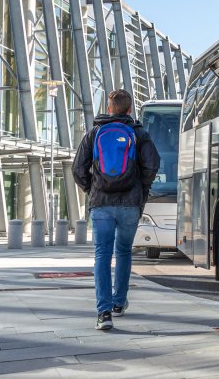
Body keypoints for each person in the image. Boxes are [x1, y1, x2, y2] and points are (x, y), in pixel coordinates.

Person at [72, 89, 159, 330]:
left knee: (102, 255)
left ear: (109, 109)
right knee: (123, 252)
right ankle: (119, 303)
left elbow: (78, 168)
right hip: (130, 204)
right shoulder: (138, 133)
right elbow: (152, 164)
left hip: (101, 204)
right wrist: (141, 188)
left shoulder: (95, 132)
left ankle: (104, 313)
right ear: (129, 109)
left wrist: (92, 189)